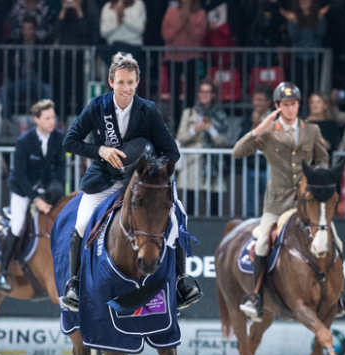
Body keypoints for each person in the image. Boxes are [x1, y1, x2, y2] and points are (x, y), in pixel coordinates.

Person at [61, 52, 201, 311]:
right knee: (81, 223)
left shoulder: (148, 110)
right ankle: (74, 284)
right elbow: (70, 141)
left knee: (176, 216)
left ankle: (182, 281)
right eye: (121, 82)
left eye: (131, 82)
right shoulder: (97, 106)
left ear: (137, 82)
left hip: (141, 182)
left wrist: (154, 167)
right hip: (104, 179)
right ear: (111, 82)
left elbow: (172, 151)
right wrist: (100, 150)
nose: (126, 88)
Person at [232, 82, 345, 321]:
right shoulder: (268, 132)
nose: (290, 108)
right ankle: (256, 297)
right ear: (277, 106)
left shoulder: (312, 131)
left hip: (308, 204)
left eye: (294, 104)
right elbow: (238, 152)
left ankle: (339, 297)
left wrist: (317, 180)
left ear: (299, 105)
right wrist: (259, 129)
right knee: (262, 242)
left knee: (336, 241)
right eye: (285, 104)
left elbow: (323, 160)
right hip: (278, 204)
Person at [0, 100, 66, 292]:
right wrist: (37, 200)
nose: (52, 122)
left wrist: (56, 190)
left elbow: (60, 167)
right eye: (47, 118)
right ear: (36, 119)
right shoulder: (24, 141)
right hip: (22, 189)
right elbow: (20, 175)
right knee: (17, 225)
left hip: (44, 186)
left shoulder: (58, 137)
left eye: (53, 117)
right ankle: (2, 273)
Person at [175, 79, 229, 215]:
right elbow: (181, 137)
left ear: (213, 95)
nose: (204, 95)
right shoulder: (189, 113)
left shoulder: (220, 115)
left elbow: (223, 141)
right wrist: (194, 130)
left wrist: (211, 129)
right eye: (202, 92)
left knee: (213, 204)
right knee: (189, 203)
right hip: (192, 164)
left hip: (212, 166)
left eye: (208, 92)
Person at [161, 0, 207, 130]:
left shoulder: (200, 14)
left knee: (191, 93)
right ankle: (176, 125)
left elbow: (197, 37)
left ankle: (188, 125)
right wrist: (181, 22)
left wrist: (188, 22)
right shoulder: (170, 13)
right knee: (174, 93)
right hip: (173, 57)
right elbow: (166, 36)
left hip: (192, 57)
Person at [0, 16, 52, 118]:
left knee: (48, 90)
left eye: (29, 29)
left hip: (36, 82)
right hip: (19, 81)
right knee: (3, 90)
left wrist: (36, 65)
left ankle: (45, 121)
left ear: (34, 30)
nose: (26, 32)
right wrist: (14, 65)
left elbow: (47, 69)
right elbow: (8, 69)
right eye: (24, 29)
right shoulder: (16, 44)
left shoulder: (41, 45)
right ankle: (7, 122)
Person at [281, 0, 329, 99]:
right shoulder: (294, 17)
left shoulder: (318, 16)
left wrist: (320, 20)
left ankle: (313, 104)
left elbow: (321, 34)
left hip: (314, 55)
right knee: (297, 83)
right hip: (298, 55)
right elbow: (292, 36)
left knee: (314, 84)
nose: (304, 1)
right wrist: (293, 22)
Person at [237, 85, 273, 217]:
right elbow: (242, 143)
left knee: (270, 205)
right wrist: (254, 125)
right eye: (254, 100)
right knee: (249, 206)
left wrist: (259, 125)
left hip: (270, 168)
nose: (256, 103)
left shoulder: (277, 119)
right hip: (250, 167)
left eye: (260, 100)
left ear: (268, 102)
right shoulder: (248, 120)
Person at [99, 0, 146, 76]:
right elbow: (103, 32)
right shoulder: (108, 6)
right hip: (113, 48)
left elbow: (140, 28)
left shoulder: (137, 4)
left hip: (133, 47)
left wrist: (124, 17)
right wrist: (117, 21)